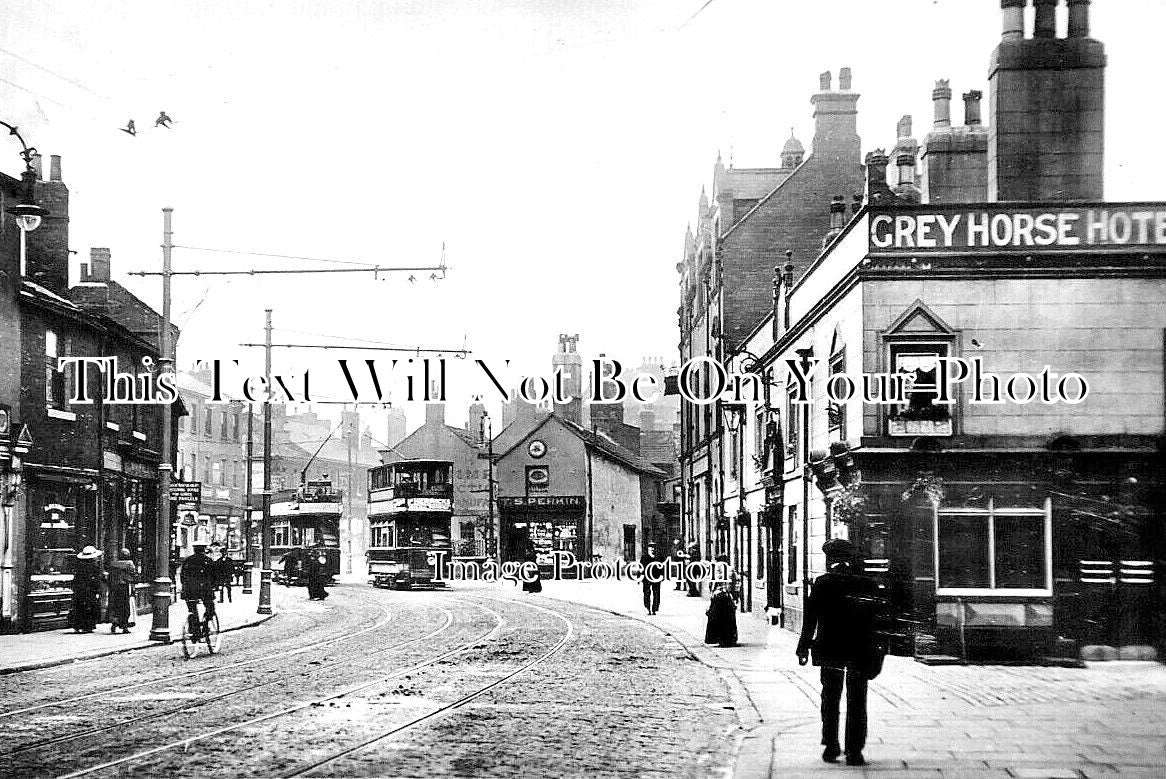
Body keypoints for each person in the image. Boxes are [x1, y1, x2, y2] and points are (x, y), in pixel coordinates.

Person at [796, 538, 882, 767]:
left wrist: (802, 647)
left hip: (831, 650)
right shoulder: (867, 584)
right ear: (849, 559)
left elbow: (809, 620)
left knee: (830, 698)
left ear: (830, 559)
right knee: (857, 700)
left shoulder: (822, 584)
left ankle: (831, 746)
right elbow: (878, 624)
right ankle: (854, 752)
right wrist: (879, 653)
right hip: (859, 651)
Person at [180, 543, 218, 638]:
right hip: (205, 590)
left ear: (194, 549)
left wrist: (185, 586)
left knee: (192, 610)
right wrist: (214, 586)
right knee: (210, 608)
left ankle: (194, 630)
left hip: (190, 591)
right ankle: (205, 626)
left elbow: (182, 576)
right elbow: (214, 576)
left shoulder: (188, 560)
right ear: (204, 549)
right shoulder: (208, 561)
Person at [704, 554, 739, 647]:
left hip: (717, 597)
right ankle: (728, 639)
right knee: (728, 619)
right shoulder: (731, 569)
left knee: (717, 618)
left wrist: (711, 595)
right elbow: (735, 584)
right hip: (727, 597)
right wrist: (734, 597)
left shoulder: (714, 570)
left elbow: (711, 585)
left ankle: (718, 638)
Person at [70, 546, 104, 633]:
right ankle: (88, 626)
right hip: (90, 591)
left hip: (80, 591)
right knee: (89, 608)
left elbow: (75, 580)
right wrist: (98, 590)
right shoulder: (94, 568)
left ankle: (78, 625)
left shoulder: (79, 567)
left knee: (79, 608)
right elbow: (96, 580)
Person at [107, 548, 138, 634]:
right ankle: (124, 626)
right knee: (125, 607)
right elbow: (134, 574)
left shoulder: (114, 563)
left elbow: (110, 577)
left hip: (115, 588)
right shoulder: (129, 563)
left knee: (116, 606)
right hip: (125, 587)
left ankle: (115, 624)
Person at [639, 542, 662, 615]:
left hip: (656, 577)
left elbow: (662, 567)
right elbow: (641, 568)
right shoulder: (644, 557)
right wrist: (639, 577)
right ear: (648, 548)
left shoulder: (659, 557)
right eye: (651, 547)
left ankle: (654, 609)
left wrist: (662, 576)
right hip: (646, 578)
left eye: (654, 547)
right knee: (646, 593)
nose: (652, 549)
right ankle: (648, 608)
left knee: (656, 593)